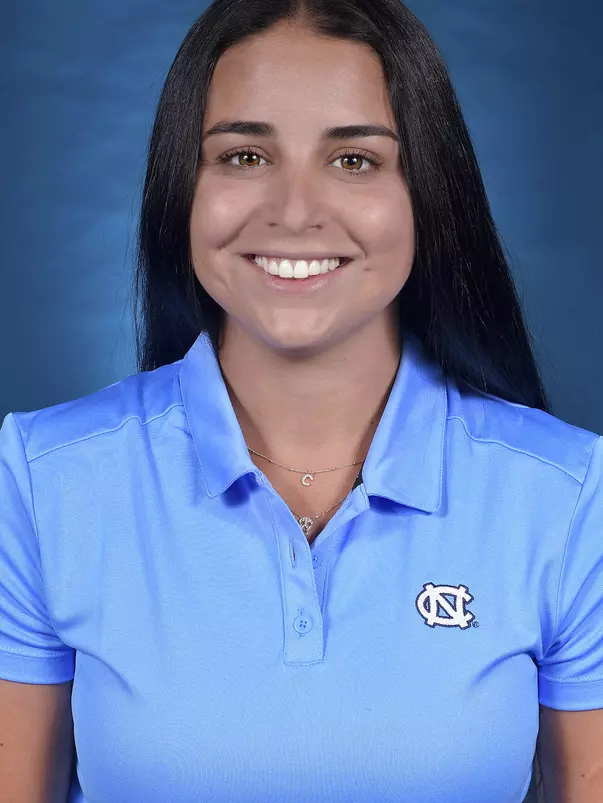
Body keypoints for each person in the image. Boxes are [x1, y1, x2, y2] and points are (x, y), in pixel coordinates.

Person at [1, 0, 602, 800]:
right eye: (244, 156)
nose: (292, 210)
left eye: (353, 160)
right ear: (184, 184)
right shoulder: (41, 482)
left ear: (426, 192)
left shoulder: (568, 498)